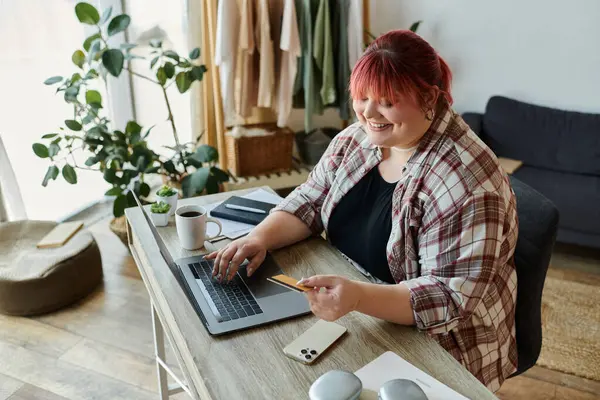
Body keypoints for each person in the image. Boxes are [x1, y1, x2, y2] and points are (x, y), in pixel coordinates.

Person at [206, 29, 518, 392]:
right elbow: (311, 199)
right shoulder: (358, 138)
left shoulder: (466, 182)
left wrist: (357, 297)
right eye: (363, 96)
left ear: (429, 98)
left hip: (447, 349)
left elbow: (447, 299)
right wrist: (258, 237)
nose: (368, 113)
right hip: (358, 309)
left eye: (386, 101)